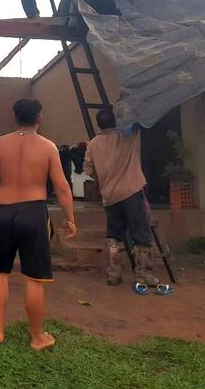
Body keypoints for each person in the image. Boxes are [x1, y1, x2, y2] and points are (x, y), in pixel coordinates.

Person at [0, 98, 77, 350]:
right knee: (33, 278)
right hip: (33, 213)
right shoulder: (48, 147)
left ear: (15, 117)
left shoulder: (0, 144)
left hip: (4, 212)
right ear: (39, 117)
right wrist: (70, 219)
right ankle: (37, 337)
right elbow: (62, 187)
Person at [84, 108, 160, 288]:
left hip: (110, 196)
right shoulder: (126, 136)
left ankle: (114, 274)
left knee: (114, 235)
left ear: (98, 124)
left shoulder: (93, 143)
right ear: (116, 122)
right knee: (141, 234)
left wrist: (105, 179)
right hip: (132, 192)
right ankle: (143, 275)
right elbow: (138, 121)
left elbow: (88, 170)